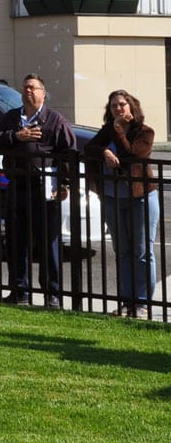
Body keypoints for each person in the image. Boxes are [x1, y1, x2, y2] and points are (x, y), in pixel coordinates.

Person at [0, 73, 77, 309]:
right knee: (16, 241)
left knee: (48, 242)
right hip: (16, 186)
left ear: (43, 93)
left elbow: (68, 153)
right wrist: (16, 135)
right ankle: (19, 291)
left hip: (44, 189)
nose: (28, 91)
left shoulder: (55, 120)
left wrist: (65, 183)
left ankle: (52, 294)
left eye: (33, 88)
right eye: (25, 87)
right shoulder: (12, 118)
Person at [85, 89, 158, 318]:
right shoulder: (108, 131)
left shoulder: (144, 132)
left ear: (132, 107)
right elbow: (88, 149)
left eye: (122, 104)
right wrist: (105, 150)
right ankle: (127, 302)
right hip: (112, 197)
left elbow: (130, 156)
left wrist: (117, 130)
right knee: (123, 251)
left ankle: (143, 303)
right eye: (114, 105)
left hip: (140, 198)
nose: (118, 108)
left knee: (142, 251)